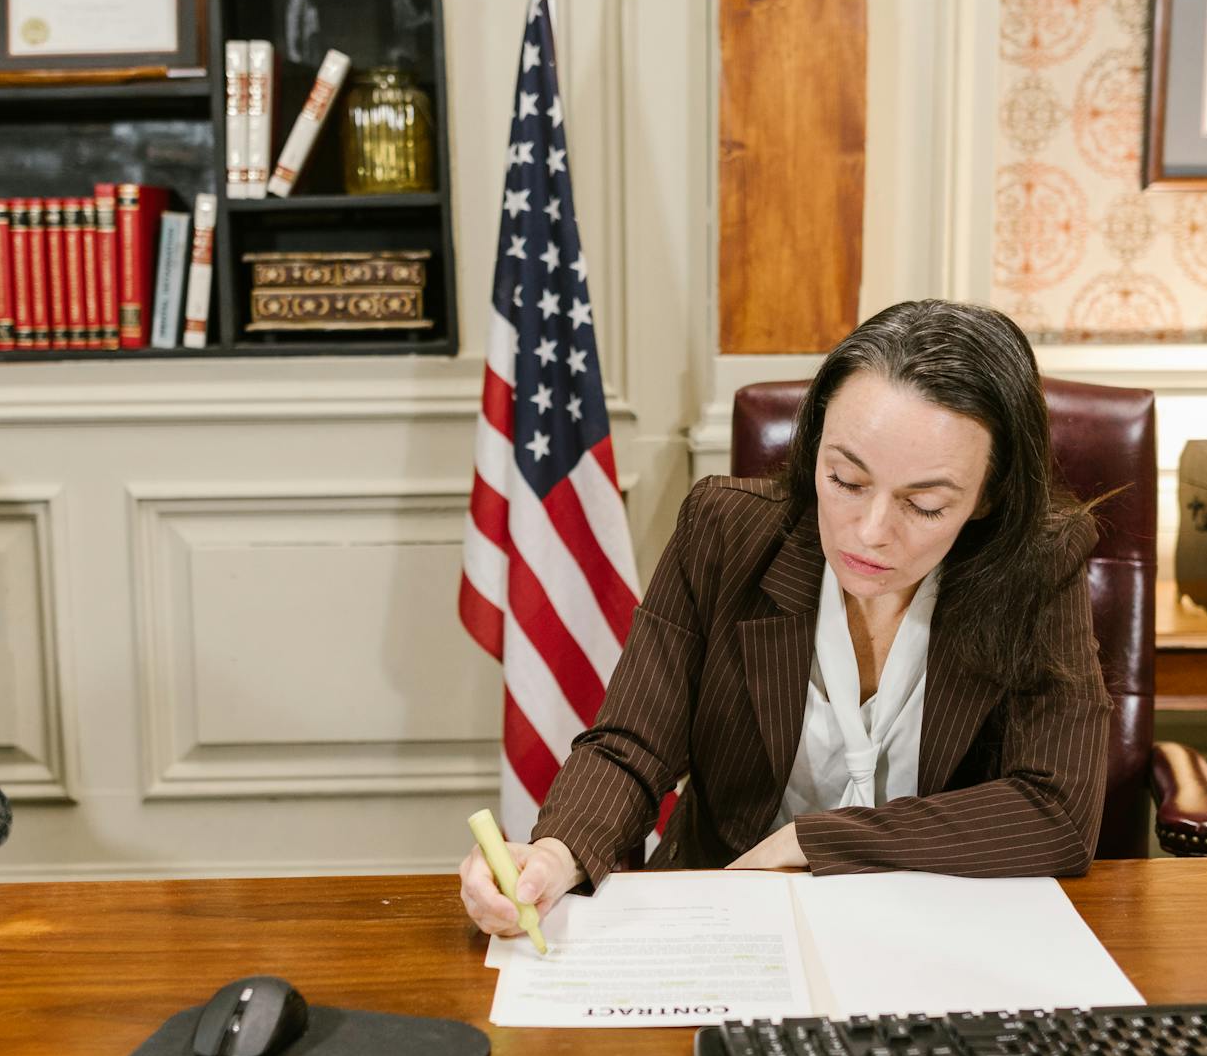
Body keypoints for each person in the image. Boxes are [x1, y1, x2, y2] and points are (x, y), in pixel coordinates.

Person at [460, 299, 1112, 938]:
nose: (871, 532)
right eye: (846, 480)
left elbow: (1055, 810)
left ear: (987, 497)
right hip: (730, 917)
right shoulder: (725, 531)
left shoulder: (1039, 566)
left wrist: (811, 842)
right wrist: (554, 853)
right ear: (815, 447)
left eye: (926, 504)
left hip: (936, 929)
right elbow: (632, 745)